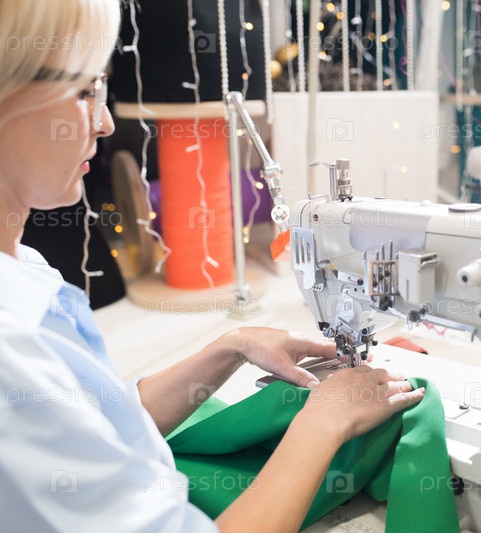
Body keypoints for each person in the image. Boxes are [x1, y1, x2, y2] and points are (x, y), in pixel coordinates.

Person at [0, 1, 424, 531]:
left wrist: (230, 346)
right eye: (84, 91)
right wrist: (322, 424)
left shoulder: (26, 268)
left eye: (102, 88)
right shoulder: (11, 353)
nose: (106, 122)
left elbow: (101, 421)